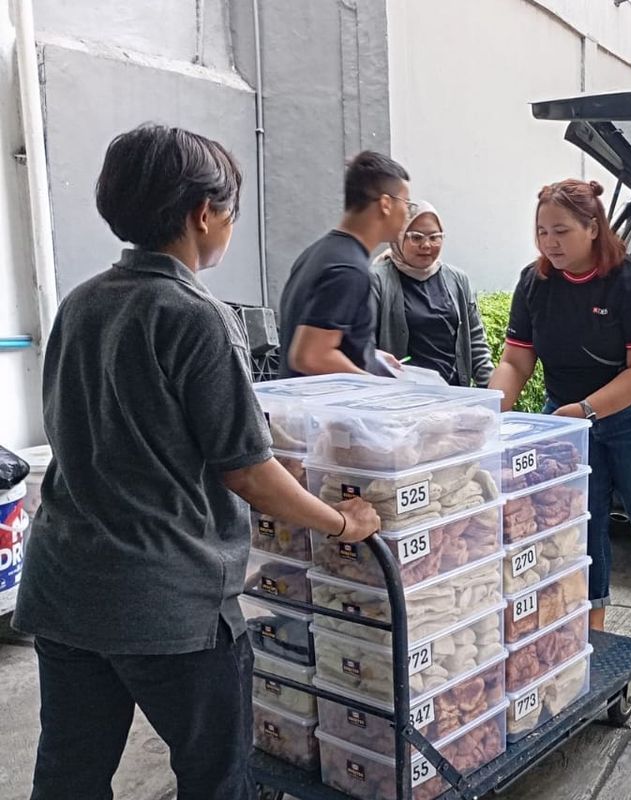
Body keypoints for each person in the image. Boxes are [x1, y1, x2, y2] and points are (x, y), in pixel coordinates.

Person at [13, 124, 381, 800]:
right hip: (168, 603)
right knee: (215, 778)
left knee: (70, 773)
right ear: (204, 213)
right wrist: (342, 522)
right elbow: (249, 476)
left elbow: (120, 432)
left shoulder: (82, 302)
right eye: (231, 211)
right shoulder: (196, 314)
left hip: (64, 587)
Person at [489, 179, 631, 659]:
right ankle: (594, 619)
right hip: (567, 414)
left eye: (561, 230)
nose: (550, 243)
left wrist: (586, 410)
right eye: (542, 232)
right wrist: (488, 410)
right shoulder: (534, 283)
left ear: (592, 227)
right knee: (582, 521)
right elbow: (516, 362)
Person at [278, 150, 413, 377]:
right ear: (386, 204)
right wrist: (376, 386)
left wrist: (370, 355)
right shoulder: (348, 269)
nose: (408, 214)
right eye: (407, 204)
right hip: (324, 410)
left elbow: (324, 337)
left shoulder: (318, 253)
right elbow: (310, 356)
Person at [371, 201, 494, 386]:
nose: (426, 245)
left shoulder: (457, 279)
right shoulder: (377, 280)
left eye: (435, 237)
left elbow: (476, 343)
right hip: (402, 400)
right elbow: (363, 345)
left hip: (454, 396)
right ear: (399, 237)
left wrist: (494, 395)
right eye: (416, 237)